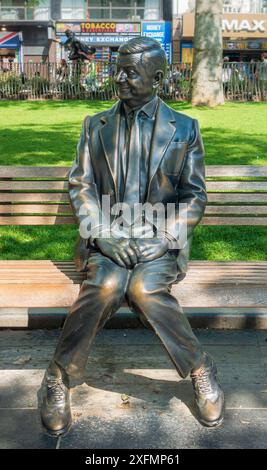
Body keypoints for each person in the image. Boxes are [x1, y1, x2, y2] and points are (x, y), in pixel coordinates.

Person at [40, 37, 225, 436]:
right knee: (107, 284)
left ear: (157, 78)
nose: (118, 78)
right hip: (107, 239)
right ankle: (58, 376)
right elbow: (81, 186)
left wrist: (163, 238)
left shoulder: (185, 129)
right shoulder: (95, 126)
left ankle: (198, 367)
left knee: (142, 289)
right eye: (117, 69)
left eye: (130, 71)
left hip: (158, 241)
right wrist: (102, 234)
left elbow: (195, 196)